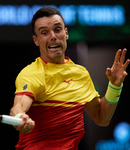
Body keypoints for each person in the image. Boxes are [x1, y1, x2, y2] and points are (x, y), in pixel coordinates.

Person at [10, 6, 130, 150]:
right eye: (44, 32)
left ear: (66, 33)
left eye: (57, 29)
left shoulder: (80, 74)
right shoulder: (31, 74)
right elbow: (20, 104)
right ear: (36, 40)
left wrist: (115, 86)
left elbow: (101, 117)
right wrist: (19, 116)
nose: (53, 36)